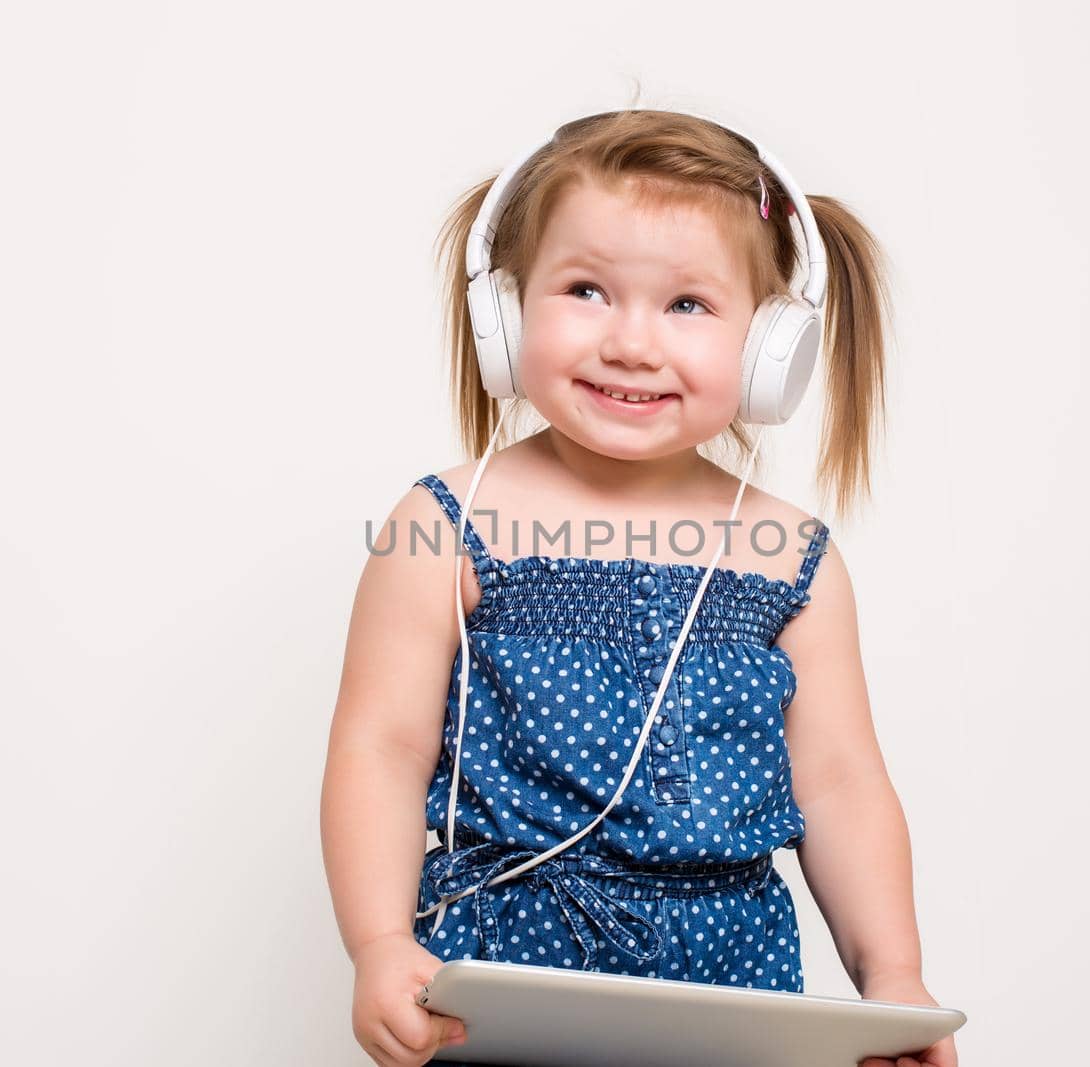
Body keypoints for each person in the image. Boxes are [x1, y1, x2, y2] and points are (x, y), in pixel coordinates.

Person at [320, 107, 957, 1067]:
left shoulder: (792, 557)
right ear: (507, 311)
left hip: (732, 985)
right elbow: (381, 746)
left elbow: (841, 784)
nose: (631, 343)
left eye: (687, 305)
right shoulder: (445, 523)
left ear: (766, 346)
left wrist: (894, 979)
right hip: (504, 980)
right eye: (585, 289)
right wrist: (380, 944)